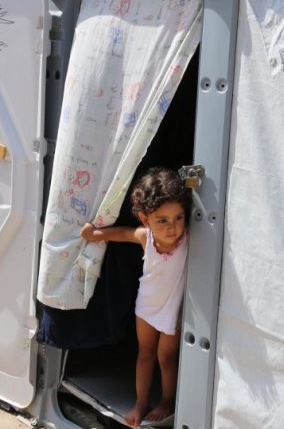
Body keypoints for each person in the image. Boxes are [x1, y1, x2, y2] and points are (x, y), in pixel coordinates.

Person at [80, 167, 189, 426]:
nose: (172, 227)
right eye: (162, 220)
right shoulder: (146, 237)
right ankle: (141, 402)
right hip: (146, 306)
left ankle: (166, 401)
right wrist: (93, 234)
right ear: (145, 218)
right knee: (145, 353)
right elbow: (122, 234)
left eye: (178, 217)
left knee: (166, 356)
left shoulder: (189, 240)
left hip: (171, 307)